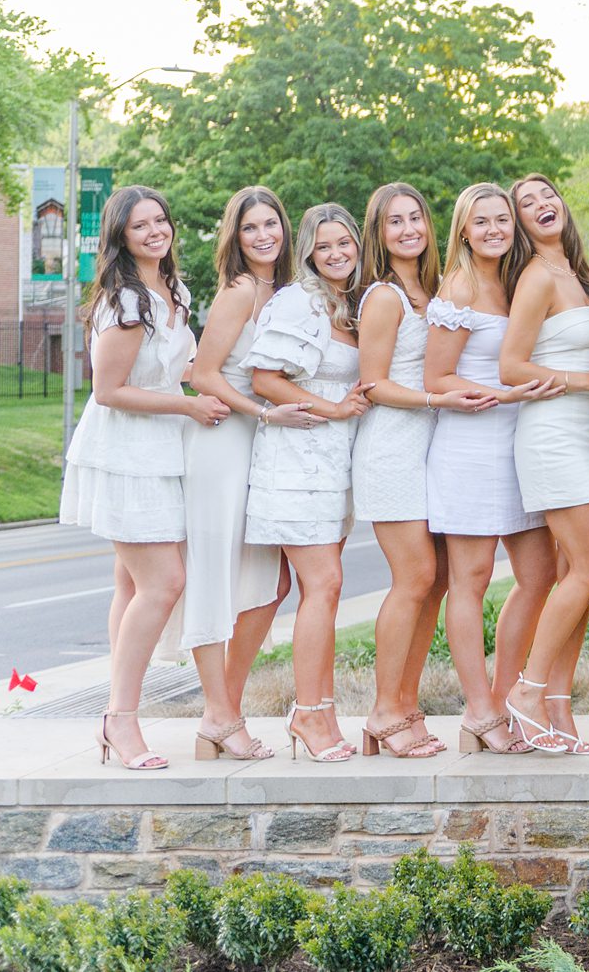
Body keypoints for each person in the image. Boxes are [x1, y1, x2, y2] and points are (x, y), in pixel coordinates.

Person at [61, 187, 226, 769]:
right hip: (128, 451)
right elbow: (110, 391)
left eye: (160, 220)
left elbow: (177, 365)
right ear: (121, 238)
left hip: (164, 449)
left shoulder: (173, 289)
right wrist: (187, 406)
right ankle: (120, 720)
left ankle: (118, 710)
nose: (155, 231)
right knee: (164, 583)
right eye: (140, 225)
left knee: (132, 587)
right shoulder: (126, 301)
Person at [499, 175, 589, 753]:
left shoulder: (577, 274)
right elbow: (510, 367)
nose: (542, 206)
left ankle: (558, 705)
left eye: (547, 196)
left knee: (573, 578)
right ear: (519, 224)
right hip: (554, 436)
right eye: (526, 204)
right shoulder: (536, 277)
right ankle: (527, 691)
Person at [354, 182, 496, 757]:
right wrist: (439, 401)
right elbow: (374, 384)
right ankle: (384, 712)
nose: (409, 228)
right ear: (379, 234)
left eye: (416, 218)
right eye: (395, 222)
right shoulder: (385, 296)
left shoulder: (432, 289)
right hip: (392, 447)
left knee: (435, 582)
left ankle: (407, 704)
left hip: (431, 447)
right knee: (412, 578)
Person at [425, 183, 561, 754]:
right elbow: (437, 379)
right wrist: (506, 395)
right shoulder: (460, 286)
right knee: (472, 579)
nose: (493, 230)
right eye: (480, 222)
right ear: (463, 230)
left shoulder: (522, 279)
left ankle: (507, 698)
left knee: (539, 575)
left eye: (502, 219)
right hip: (470, 447)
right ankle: (478, 713)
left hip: (521, 446)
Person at [183, 187, 315, 760]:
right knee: (217, 581)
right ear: (235, 238)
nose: (264, 236)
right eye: (250, 228)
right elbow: (202, 374)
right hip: (223, 444)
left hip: (264, 446)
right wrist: (264, 412)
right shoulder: (239, 291)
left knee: (272, 583)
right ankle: (219, 715)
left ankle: (222, 712)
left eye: (271, 225)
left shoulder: (287, 292)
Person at [246, 203, 375, 762]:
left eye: (343, 242)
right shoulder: (298, 302)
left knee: (320, 590)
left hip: (333, 465)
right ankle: (308, 713)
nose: (336, 253)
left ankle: (319, 709)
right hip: (296, 461)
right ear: (308, 253)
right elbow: (264, 378)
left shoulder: (348, 304)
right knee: (324, 584)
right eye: (323, 246)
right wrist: (334, 409)